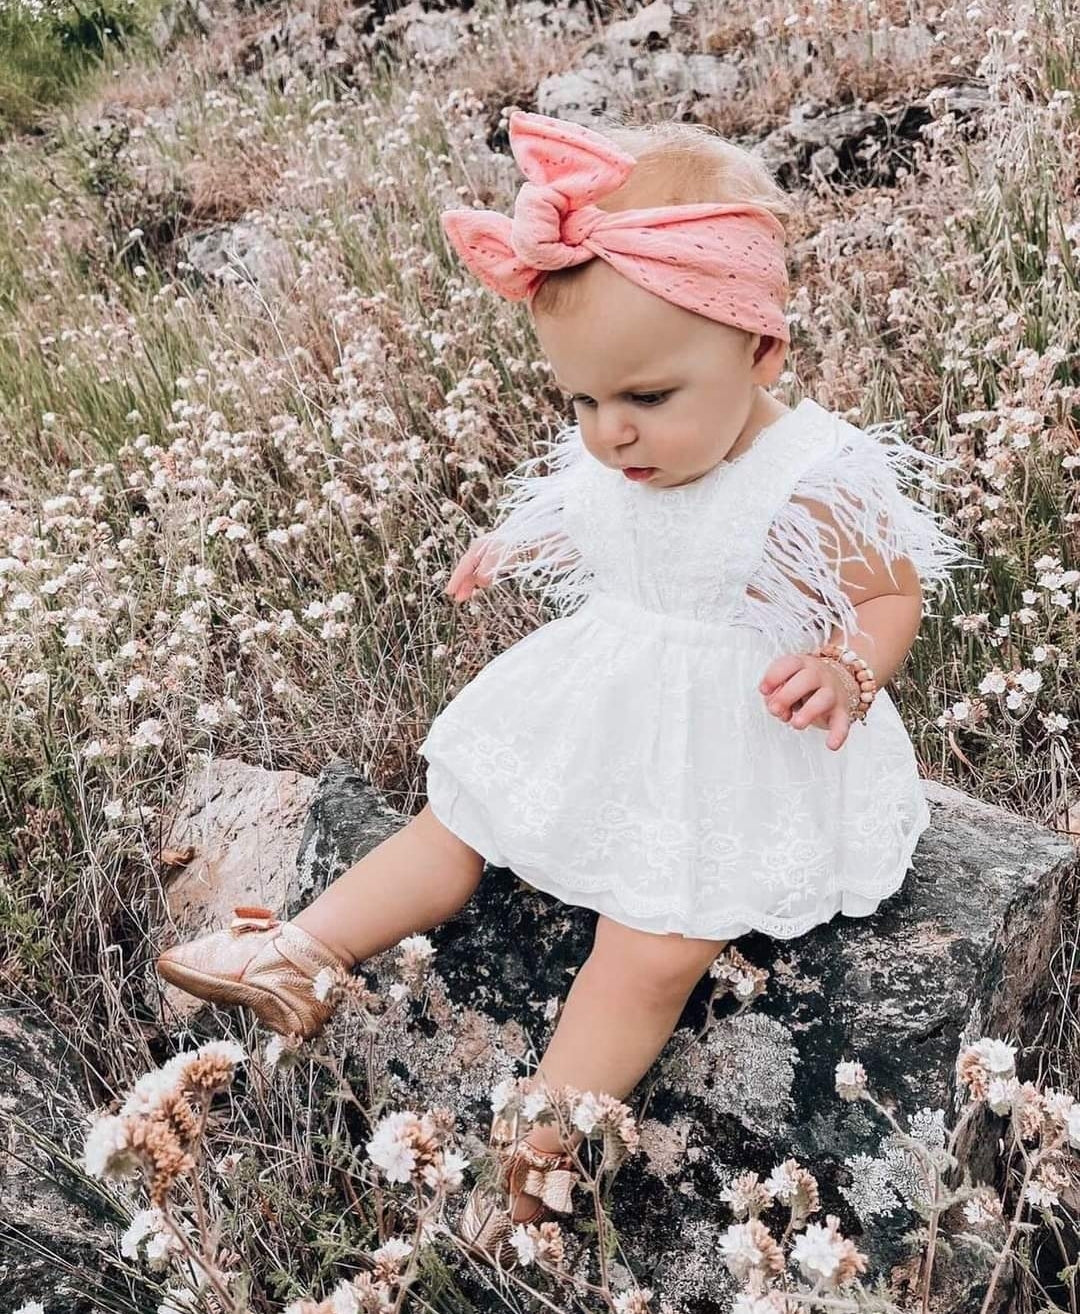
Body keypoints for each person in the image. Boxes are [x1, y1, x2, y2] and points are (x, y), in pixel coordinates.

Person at [156, 109, 976, 1270]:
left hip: (733, 742)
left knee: (646, 953)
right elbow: (596, 508)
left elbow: (892, 597)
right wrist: (520, 538)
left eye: (641, 400)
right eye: (580, 405)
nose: (610, 435)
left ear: (762, 353)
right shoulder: (632, 435)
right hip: (608, 694)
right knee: (464, 820)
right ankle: (301, 953)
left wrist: (847, 667)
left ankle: (536, 1168)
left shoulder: (814, 474)